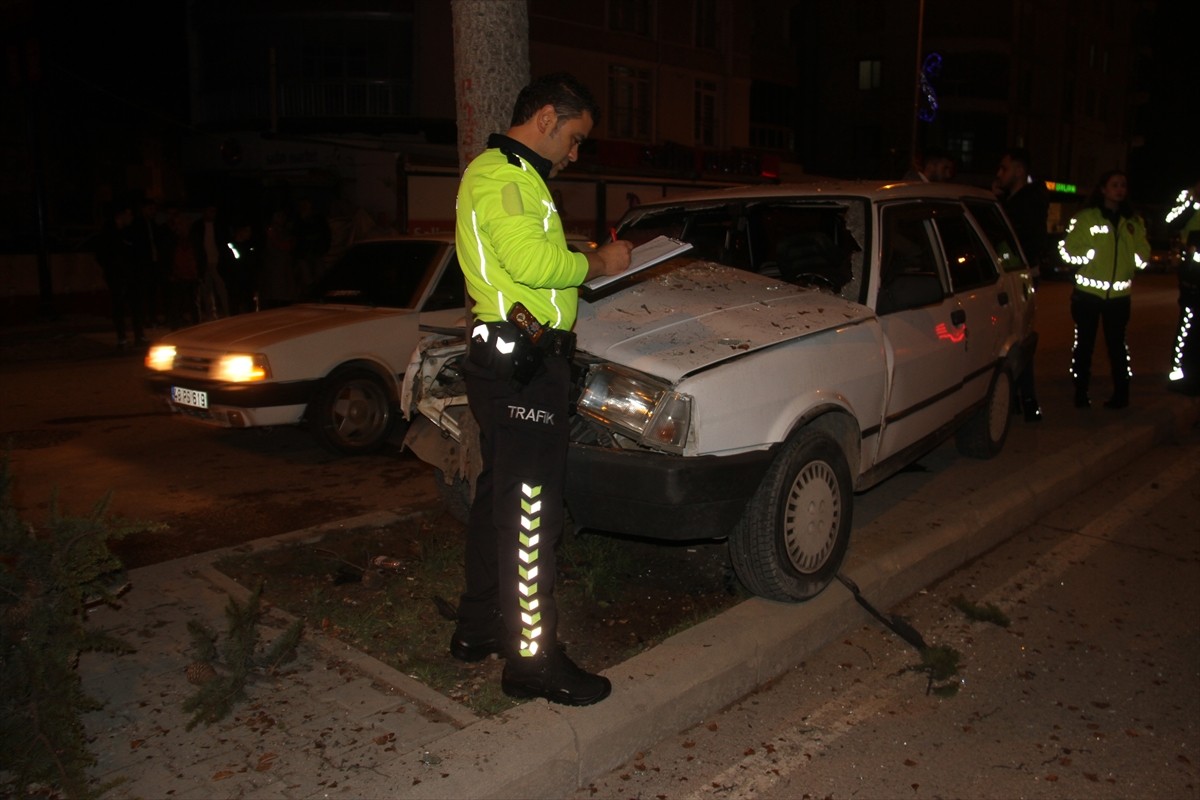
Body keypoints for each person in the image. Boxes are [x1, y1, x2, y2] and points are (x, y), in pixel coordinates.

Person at [451, 73, 632, 706]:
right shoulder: (503, 175)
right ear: (548, 117)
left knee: (498, 500)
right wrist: (599, 263)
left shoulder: (518, 178)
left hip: (512, 362)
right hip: (521, 365)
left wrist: (576, 255)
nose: (576, 154)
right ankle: (531, 664)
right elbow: (531, 264)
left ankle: (477, 629)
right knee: (531, 515)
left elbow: (524, 261)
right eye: (576, 138)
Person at [1059, 170, 1151, 410]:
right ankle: (1081, 392)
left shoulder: (1133, 221)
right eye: (1114, 185)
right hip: (1088, 295)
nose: (1119, 189)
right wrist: (1087, 254)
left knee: (1117, 346)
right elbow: (1068, 249)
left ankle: (1122, 394)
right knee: (1085, 345)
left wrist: (1137, 260)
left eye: (1123, 185)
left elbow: (1143, 251)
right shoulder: (1087, 218)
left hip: (1120, 296)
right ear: (1103, 189)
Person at [995, 147, 1049, 421]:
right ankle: (1022, 399)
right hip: (1018, 275)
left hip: (1021, 277)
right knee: (1014, 336)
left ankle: (1027, 400)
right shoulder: (1014, 200)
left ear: (1019, 170)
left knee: (1018, 336)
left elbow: (1021, 243)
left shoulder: (1028, 202)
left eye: (1004, 168)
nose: (999, 174)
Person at [93, 198, 146, 349]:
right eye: (128, 215)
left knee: (136, 305)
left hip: (132, 275)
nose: (131, 218)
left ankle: (139, 335)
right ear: (120, 215)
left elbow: (137, 252)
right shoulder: (107, 233)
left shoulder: (131, 232)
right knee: (119, 306)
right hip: (116, 275)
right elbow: (102, 255)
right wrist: (111, 270)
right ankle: (121, 337)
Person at [1166, 182, 1200, 393]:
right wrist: (1193, 203)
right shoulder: (1188, 198)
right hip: (1193, 273)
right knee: (1188, 322)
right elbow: (1171, 222)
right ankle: (1181, 372)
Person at [190, 203, 231, 320]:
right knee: (207, 289)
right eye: (210, 211)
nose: (212, 214)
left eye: (214, 211)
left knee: (221, 288)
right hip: (204, 261)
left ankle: (227, 311)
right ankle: (211, 314)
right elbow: (196, 244)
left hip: (217, 261)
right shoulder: (198, 226)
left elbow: (223, 243)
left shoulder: (219, 226)